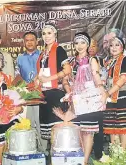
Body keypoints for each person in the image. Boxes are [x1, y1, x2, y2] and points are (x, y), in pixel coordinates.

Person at [55, 32, 106, 165]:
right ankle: (76, 157)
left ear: (88, 44)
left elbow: (96, 76)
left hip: (89, 99)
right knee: (75, 129)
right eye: (77, 43)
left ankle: (84, 161)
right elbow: (65, 80)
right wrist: (69, 91)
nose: (79, 46)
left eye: (82, 42)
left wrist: (102, 91)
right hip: (76, 100)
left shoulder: (92, 60)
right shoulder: (71, 62)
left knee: (87, 131)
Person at [35, 24, 70, 142]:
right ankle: (52, 158)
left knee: (56, 130)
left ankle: (57, 158)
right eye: (44, 34)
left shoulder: (59, 50)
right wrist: (37, 79)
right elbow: (41, 73)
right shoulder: (43, 53)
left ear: (55, 35)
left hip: (56, 93)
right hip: (44, 94)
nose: (46, 36)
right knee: (49, 132)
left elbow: (67, 70)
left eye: (49, 33)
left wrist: (49, 78)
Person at [16, 31, 47, 152]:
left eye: (32, 40)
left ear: (37, 42)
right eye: (27, 40)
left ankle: (43, 151)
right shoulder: (19, 58)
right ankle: (29, 149)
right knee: (27, 123)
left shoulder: (43, 56)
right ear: (24, 42)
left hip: (41, 95)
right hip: (26, 97)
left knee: (40, 124)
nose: (29, 42)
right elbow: (17, 76)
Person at [103, 37, 126, 149]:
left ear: (122, 47)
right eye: (111, 45)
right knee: (112, 128)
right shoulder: (107, 63)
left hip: (122, 97)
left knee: (122, 127)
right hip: (109, 99)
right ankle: (115, 155)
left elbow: (123, 79)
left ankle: (124, 157)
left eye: (117, 45)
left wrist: (108, 92)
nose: (114, 48)